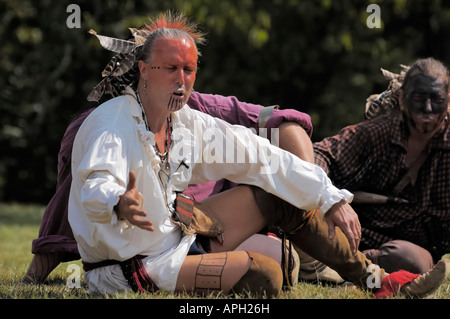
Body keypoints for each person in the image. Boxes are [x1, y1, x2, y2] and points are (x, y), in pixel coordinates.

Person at [65, 12, 449, 298]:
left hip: (175, 233)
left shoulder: (187, 123)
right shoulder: (112, 123)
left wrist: (330, 197)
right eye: (170, 69)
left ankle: (377, 281)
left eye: (189, 69)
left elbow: (264, 158)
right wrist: (116, 202)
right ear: (144, 70)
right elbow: (95, 183)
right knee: (266, 277)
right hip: (131, 268)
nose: (181, 80)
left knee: (276, 192)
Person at [314, 57, 450, 275]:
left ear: (448, 101)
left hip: (410, 251)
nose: (427, 108)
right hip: (351, 233)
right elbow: (317, 155)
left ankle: (344, 263)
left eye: (437, 99)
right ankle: (336, 260)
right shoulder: (376, 134)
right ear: (403, 100)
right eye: (418, 98)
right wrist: (331, 198)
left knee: (412, 261)